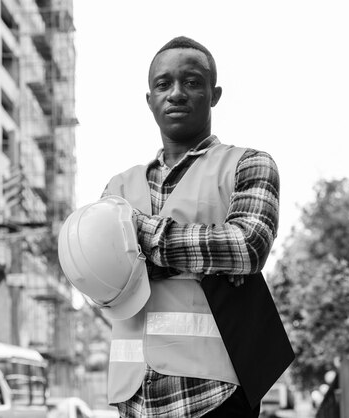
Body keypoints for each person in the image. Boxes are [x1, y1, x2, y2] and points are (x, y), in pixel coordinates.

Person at [100, 36, 294, 417]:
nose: (176, 93)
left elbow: (246, 247)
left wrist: (138, 236)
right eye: (163, 84)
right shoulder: (117, 186)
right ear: (149, 99)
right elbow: (101, 277)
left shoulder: (249, 164)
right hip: (133, 396)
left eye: (191, 82)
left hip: (216, 392)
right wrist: (208, 256)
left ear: (214, 93)